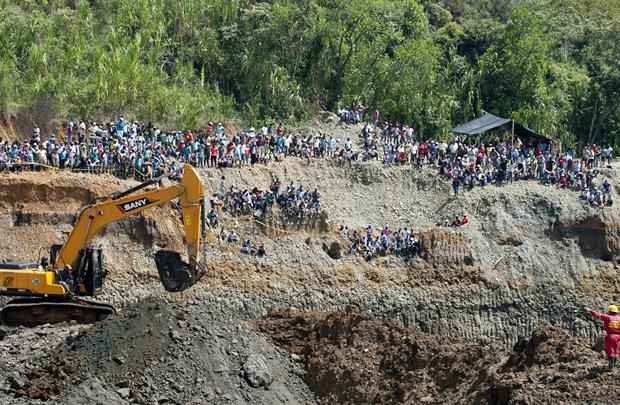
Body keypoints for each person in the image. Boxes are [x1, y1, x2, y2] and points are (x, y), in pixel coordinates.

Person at [587, 304, 620, 369]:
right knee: (616, 350)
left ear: (610, 311)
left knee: (609, 350)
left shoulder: (608, 317)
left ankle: (611, 364)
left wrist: (590, 310)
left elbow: (598, 315)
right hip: (618, 336)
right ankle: (615, 364)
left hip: (610, 336)